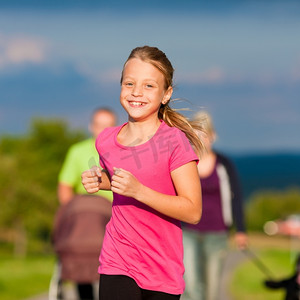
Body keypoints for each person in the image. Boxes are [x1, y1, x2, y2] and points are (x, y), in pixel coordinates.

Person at [81, 45, 205, 300]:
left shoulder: (174, 142)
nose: (136, 92)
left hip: (162, 268)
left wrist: (140, 191)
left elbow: (192, 211)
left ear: (166, 94)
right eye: (129, 84)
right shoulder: (106, 140)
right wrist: (99, 180)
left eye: (149, 86)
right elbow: (122, 181)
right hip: (118, 259)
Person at [182, 111, 248, 300]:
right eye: (196, 135)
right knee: (192, 285)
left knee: (211, 289)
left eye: (205, 135)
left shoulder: (224, 164)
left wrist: (241, 230)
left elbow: (236, 197)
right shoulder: (185, 162)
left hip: (218, 232)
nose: (201, 140)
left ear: (213, 136)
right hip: (188, 231)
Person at [53, 108, 117, 300]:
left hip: (113, 216)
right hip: (85, 219)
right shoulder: (77, 151)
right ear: (91, 127)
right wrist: (72, 212)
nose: (103, 130)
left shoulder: (123, 151)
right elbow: (65, 186)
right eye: (99, 125)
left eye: (108, 126)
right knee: (81, 255)